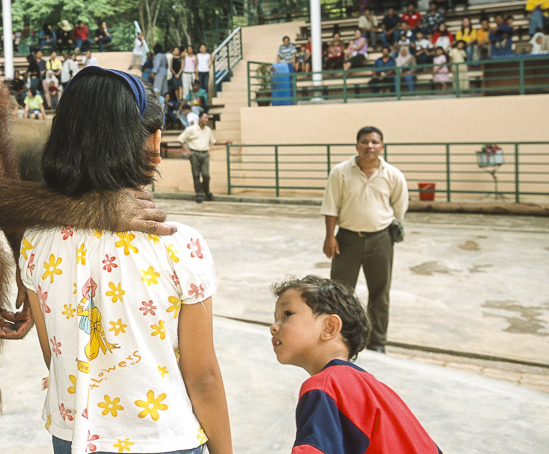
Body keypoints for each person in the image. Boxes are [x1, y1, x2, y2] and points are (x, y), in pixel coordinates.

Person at [22, 67, 232, 454]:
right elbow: (201, 378)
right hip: (163, 439)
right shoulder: (179, 245)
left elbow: (56, 354)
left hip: (73, 435)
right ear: (153, 142)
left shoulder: (35, 243)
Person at [270, 275, 441, 453]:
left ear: (329, 327)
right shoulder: (381, 392)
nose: (273, 327)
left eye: (287, 314)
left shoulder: (326, 386)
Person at [321, 126, 408, 353]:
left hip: (381, 240)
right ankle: (341, 341)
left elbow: (399, 207)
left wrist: (385, 225)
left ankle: (377, 343)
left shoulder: (393, 175)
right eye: (365, 142)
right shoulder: (340, 172)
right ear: (357, 145)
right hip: (347, 239)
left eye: (374, 142)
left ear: (382, 146)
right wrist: (330, 236)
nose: (370, 146)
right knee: (339, 293)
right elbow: (331, 206)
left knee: (380, 293)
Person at [179, 111, 217, 204]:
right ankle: (199, 194)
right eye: (205, 118)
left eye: (207, 118)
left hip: (205, 154)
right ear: (200, 118)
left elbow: (213, 142)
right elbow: (181, 139)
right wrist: (186, 151)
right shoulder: (191, 129)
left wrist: (225, 143)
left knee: (206, 175)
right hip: (194, 154)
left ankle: (206, 190)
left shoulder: (208, 130)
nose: (206, 120)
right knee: (196, 175)